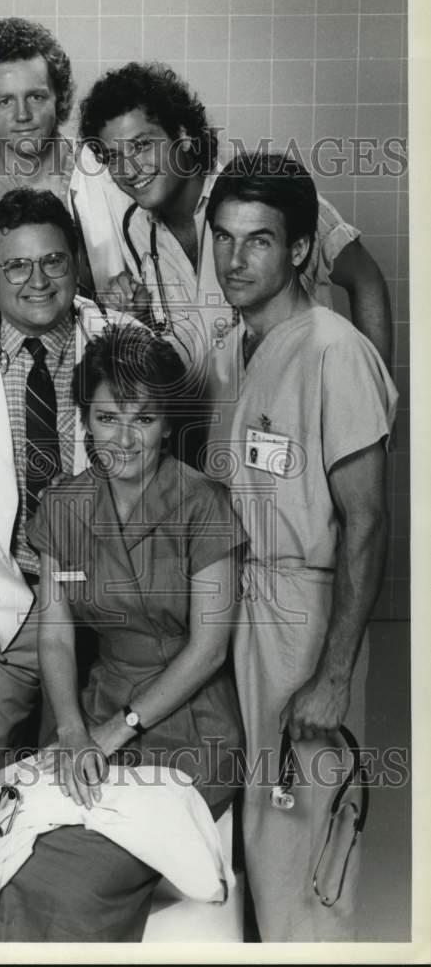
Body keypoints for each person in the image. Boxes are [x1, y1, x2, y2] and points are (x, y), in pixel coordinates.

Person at [0, 322, 245, 942]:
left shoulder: (203, 502)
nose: (124, 438)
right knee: (13, 864)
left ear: (166, 423)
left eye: (143, 418)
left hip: (187, 725)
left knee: (72, 881)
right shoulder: (65, 506)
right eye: (106, 418)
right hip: (95, 712)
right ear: (84, 420)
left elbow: (209, 649)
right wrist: (74, 732)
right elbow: (54, 633)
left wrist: (113, 734)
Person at [0, 187, 136, 940]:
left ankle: (46, 941)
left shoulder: (131, 342)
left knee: (81, 792)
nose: (37, 280)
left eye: (52, 260)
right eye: (16, 266)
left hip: (106, 616)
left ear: (76, 262)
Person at [203, 152, 397, 941]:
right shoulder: (227, 356)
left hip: (302, 618)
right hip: (235, 609)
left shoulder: (332, 351)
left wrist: (333, 673)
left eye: (256, 240)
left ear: (298, 250)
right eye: (222, 237)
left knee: (300, 825)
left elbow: (367, 521)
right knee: (248, 829)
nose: (233, 258)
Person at [78, 62, 394, 376]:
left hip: (296, 406)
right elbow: (176, 341)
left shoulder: (262, 193)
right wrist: (140, 315)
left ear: (183, 134)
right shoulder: (134, 230)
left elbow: (364, 278)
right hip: (210, 420)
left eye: (142, 145)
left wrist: (374, 391)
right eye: (113, 156)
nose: (129, 170)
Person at [0, 16, 130, 341]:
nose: (22, 115)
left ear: (58, 97)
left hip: (98, 373)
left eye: (35, 97)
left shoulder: (112, 176)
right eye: (4, 100)